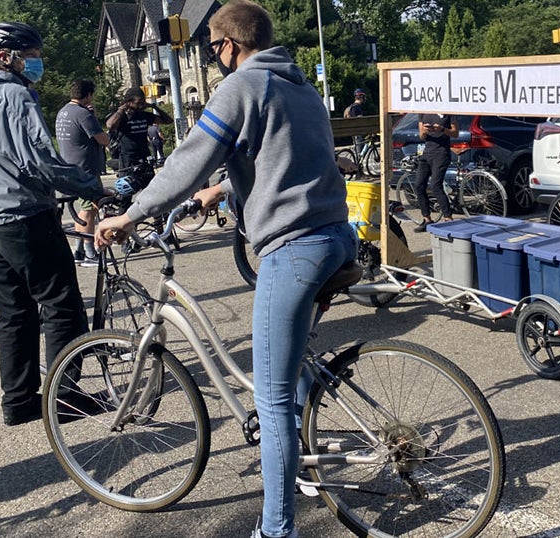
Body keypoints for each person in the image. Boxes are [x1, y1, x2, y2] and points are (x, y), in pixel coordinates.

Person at [93, 2, 356, 536]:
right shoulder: (299, 85)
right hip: (336, 237)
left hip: (295, 248)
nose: (212, 57)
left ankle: (277, 529)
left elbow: (186, 162)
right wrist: (225, 187)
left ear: (229, 45)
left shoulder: (240, 87)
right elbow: (287, 161)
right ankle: (305, 454)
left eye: (212, 48)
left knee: (271, 396)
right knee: (293, 360)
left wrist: (132, 213)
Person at [0, 22, 107, 426]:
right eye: (32, 55)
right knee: (61, 306)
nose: (37, 62)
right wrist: (93, 187)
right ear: (6, 57)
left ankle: (18, 400)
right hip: (22, 216)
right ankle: (65, 398)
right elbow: (39, 160)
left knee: (15, 312)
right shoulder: (13, 94)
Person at [55, 78, 110, 267]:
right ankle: (89, 252)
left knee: (80, 211)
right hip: (86, 170)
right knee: (89, 210)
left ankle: (77, 250)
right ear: (88, 95)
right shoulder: (82, 114)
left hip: (69, 168)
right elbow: (102, 139)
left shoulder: (64, 112)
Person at [104, 86, 172, 169]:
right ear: (129, 102)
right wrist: (122, 109)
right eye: (139, 103)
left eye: (143, 102)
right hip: (128, 161)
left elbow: (168, 120)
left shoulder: (145, 115)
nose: (142, 105)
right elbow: (110, 125)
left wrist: (154, 107)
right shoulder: (121, 117)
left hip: (145, 158)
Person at [412, 113, 458, 232]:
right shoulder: (422, 113)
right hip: (427, 153)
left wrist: (442, 129)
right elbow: (421, 135)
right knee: (418, 185)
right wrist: (426, 130)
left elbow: (455, 133)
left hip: (441, 153)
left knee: (435, 185)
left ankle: (448, 218)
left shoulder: (447, 112)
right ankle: (427, 219)